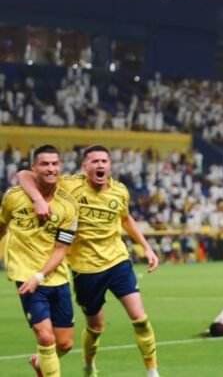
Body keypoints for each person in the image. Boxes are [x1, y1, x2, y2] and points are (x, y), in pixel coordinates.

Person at [18, 145, 161, 377]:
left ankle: (152, 372)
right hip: (86, 269)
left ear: (110, 165)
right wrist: (37, 199)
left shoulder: (120, 191)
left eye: (104, 161)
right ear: (85, 166)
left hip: (118, 261)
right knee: (96, 326)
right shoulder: (69, 185)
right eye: (94, 161)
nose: (100, 165)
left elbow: (125, 219)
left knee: (140, 318)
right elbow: (23, 175)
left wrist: (147, 247)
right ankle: (88, 366)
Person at [0, 145, 78, 377]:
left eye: (54, 163)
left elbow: (61, 249)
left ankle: (40, 363)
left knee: (65, 344)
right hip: (25, 275)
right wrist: (36, 199)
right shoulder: (14, 197)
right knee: (45, 337)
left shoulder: (69, 205)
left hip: (55, 276)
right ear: (34, 167)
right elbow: (2, 226)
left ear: (60, 166)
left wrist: (40, 276)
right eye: (44, 164)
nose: (50, 168)